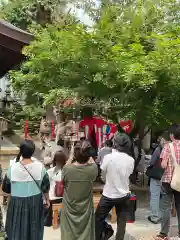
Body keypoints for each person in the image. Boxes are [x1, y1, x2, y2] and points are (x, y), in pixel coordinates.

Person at [2, 139, 50, 240]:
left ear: (21, 151)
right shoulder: (40, 167)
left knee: (15, 228)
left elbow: (6, 189)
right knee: (34, 228)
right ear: (32, 151)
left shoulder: (13, 168)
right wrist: (47, 200)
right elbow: (45, 187)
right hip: (35, 202)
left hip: (16, 203)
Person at [95, 132, 134, 240]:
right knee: (122, 222)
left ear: (114, 143)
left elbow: (103, 173)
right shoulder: (131, 160)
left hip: (109, 194)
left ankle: (102, 235)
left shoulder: (108, 157)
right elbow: (128, 175)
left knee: (98, 219)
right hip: (124, 194)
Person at [60, 140, 98, 240]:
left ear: (74, 153)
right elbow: (92, 162)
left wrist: (72, 155)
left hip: (69, 208)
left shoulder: (67, 169)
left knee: (68, 234)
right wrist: (85, 152)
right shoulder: (93, 169)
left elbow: (63, 179)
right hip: (85, 208)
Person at [155, 125, 180, 240]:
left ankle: (163, 234)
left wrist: (165, 162)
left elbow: (163, 165)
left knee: (165, 207)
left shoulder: (168, 146)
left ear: (172, 135)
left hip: (168, 181)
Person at [148, 131, 170, 224]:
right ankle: (162, 215)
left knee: (155, 196)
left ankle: (154, 217)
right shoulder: (173, 149)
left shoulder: (159, 149)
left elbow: (152, 162)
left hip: (157, 176)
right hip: (168, 177)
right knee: (164, 196)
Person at [45, 150, 67, 226]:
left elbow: (46, 186)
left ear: (54, 160)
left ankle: (49, 220)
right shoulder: (67, 171)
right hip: (64, 197)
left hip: (52, 198)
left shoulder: (49, 171)